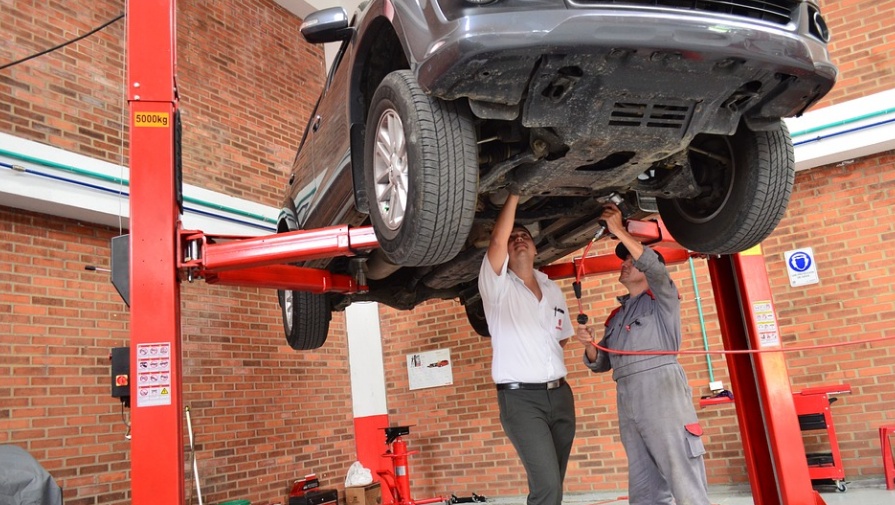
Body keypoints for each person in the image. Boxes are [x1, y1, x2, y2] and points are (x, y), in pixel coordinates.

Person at [576, 203, 710, 505]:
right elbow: (602, 364)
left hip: (661, 390)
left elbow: (655, 268)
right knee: (643, 483)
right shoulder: (617, 316)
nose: (623, 264)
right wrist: (589, 344)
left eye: (630, 261)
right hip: (628, 397)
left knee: (681, 472)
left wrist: (620, 231)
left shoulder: (663, 298)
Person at [478, 193, 576, 505]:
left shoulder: (552, 289)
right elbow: (496, 240)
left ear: (535, 248)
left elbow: (561, 337)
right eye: (514, 237)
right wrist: (516, 194)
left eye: (526, 236)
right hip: (521, 401)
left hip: (560, 396)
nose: (519, 240)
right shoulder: (496, 287)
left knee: (553, 486)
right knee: (546, 487)